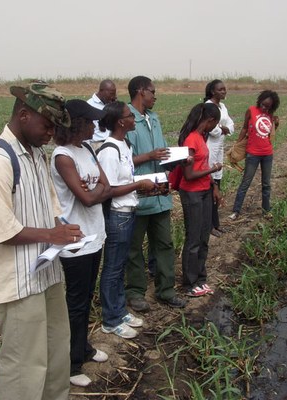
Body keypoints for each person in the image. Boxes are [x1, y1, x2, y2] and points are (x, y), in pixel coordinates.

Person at [0, 82, 83, 400]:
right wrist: (52, 235)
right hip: (19, 283)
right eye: (47, 125)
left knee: (56, 355)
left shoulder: (35, 155)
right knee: (24, 367)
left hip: (47, 275)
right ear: (23, 115)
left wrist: (65, 230)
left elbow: (51, 209)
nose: (51, 133)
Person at [51, 99, 111, 387]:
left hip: (95, 234)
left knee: (86, 297)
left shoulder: (86, 148)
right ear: (77, 124)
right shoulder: (62, 156)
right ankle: (72, 364)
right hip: (75, 241)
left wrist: (96, 190)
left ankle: (83, 347)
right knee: (75, 303)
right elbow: (87, 197)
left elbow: (106, 185)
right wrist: (96, 190)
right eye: (90, 122)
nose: (95, 126)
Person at [125, 76, 186, 312]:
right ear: (141, 92)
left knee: (164, 244)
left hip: (160, 194)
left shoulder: (154, 119)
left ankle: (166, 290)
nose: (155, 96)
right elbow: (121, 161)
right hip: (138, 196)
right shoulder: (127, 119)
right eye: (152, 92)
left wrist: (177, 158)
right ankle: (135, 292)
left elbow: (162, 153)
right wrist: (148, 156)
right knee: (134, 248)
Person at [96, 101, 155, 339]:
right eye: (130, 116)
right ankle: (111, 319)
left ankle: (119, 311)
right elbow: (108, 189)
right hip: (117, 216)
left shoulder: (124, 144)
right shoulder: (110, 150)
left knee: (119, 267)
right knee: (112, 268)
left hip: (128, 212)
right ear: (121, 122)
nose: (134, 118)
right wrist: (139, 184)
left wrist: (142, 189)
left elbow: (124, 180)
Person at [178, 103, 223, 297]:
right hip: (192, 194)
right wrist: (213, 170)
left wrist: (214, 185)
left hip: (205, 191)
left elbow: (201, 165)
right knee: (194, 239)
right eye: (216, 124)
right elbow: (188, 175)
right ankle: (189, 283)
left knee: (204, 237)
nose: (215, 128)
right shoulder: (191, 140)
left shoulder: (201, 137)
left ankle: (200, 278)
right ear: (210, 121)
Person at [229, 90, 280, 220]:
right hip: (253, 154)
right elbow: (245, 128)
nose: (264, 108)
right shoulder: (251, 110)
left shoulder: (270, 115)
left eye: (267, 106)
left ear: (272, 107)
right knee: (245, 182)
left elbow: (268, 133)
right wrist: (237, 144)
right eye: (263, 104)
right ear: (260, 101)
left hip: (267, 154)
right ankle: (236, 211)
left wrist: (276, 124)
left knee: (266, 184)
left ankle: (266, 211)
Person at [204, 80, 235, 237]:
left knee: (218, 183)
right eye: (220, 89)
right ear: (212, 91)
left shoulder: (222, 107)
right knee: (211, 186)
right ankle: (209, 225)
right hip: (210, 148)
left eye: (225, 89)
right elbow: (213, 131)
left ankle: (215, 223)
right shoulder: (208, 107)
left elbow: (231, 126)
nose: (224, 91)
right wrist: (223, 129)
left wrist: (224, 129)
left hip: (220, 148)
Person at [87, 79, 117, 149]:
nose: (113, 96)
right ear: (101, 91)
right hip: (97, 144)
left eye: (114, 94)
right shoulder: (89, 105)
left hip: (112, 142)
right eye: (111, 93)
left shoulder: (111, 104)